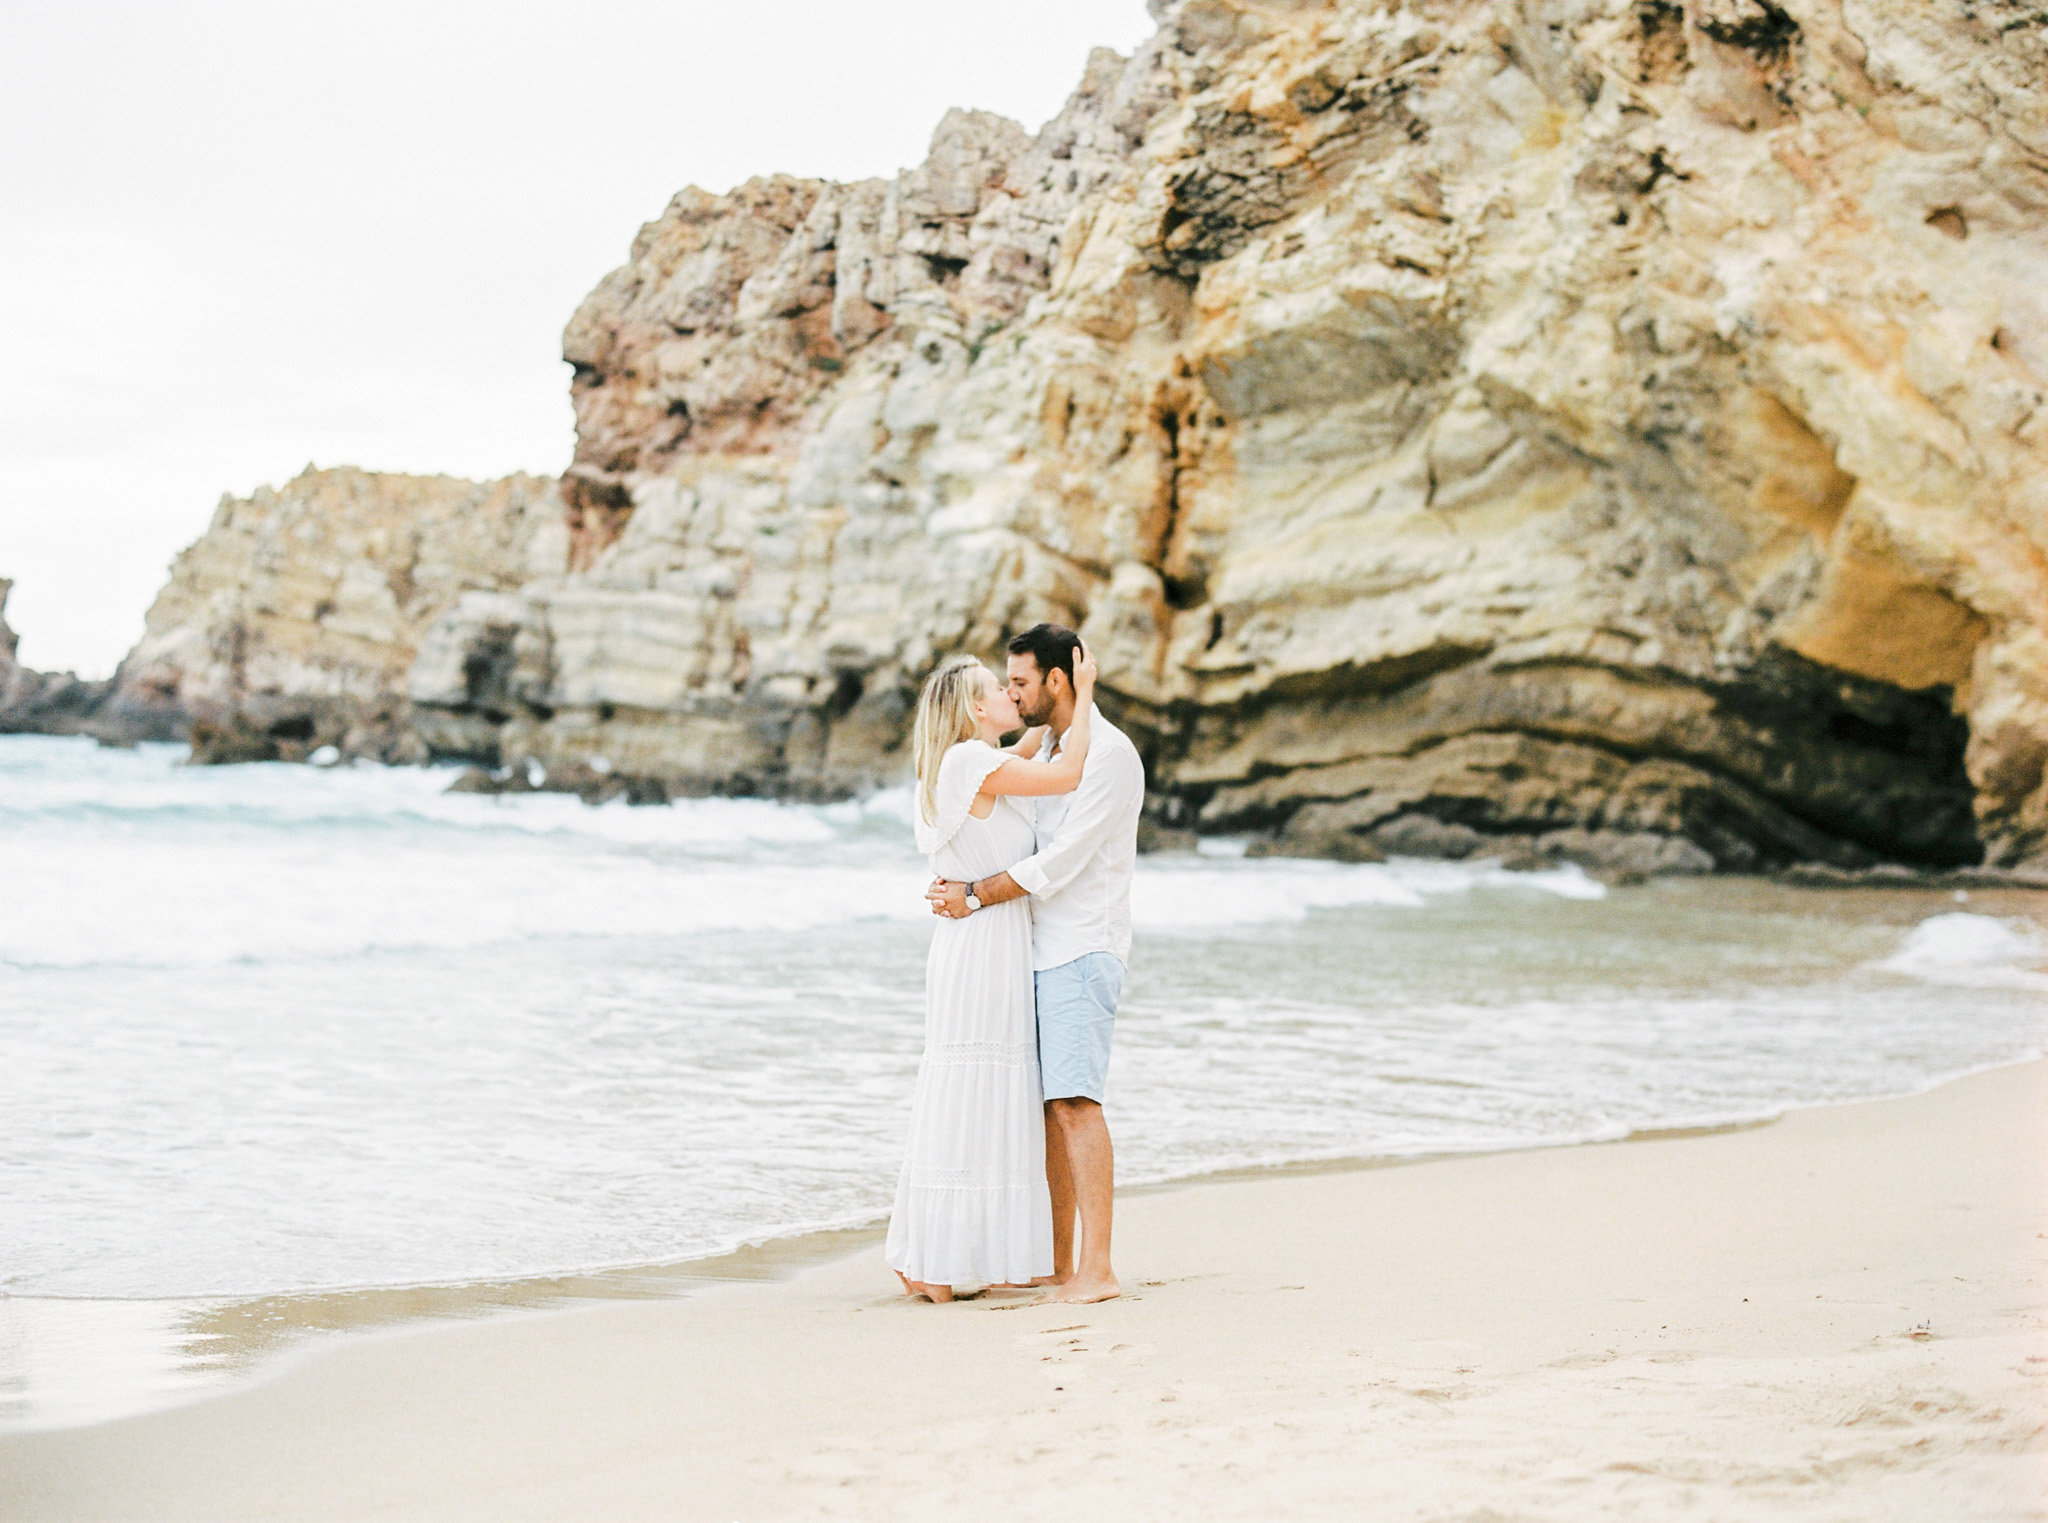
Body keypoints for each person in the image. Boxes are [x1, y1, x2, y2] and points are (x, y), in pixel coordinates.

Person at [926, 623, 1144, 1305]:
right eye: (1003, 684)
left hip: (1080, 947)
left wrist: (973, 894)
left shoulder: (1107, 755)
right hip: (1036, 951)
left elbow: (1060, 861)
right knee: (1051, 1112)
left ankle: (1098, 1268)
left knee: (1077, 1103)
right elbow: (989, 818)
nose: (1012, 693)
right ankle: (1058, 1262)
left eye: (1019, 681)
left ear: (1059, 680)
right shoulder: (1048, 746)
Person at [884, 645, 1099, 1302]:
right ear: (977, 707)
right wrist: (1082, 693)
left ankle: (942, 1257)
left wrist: (1050, 719)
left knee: (968, 1092)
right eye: (1000, 688)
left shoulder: (968, 761)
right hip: (982, 943)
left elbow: (1035, 746)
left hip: (981, 941)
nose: (1014, 693)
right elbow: (1066, 773)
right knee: (974, 1089)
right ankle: (938, 1260)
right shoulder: (971, 760)